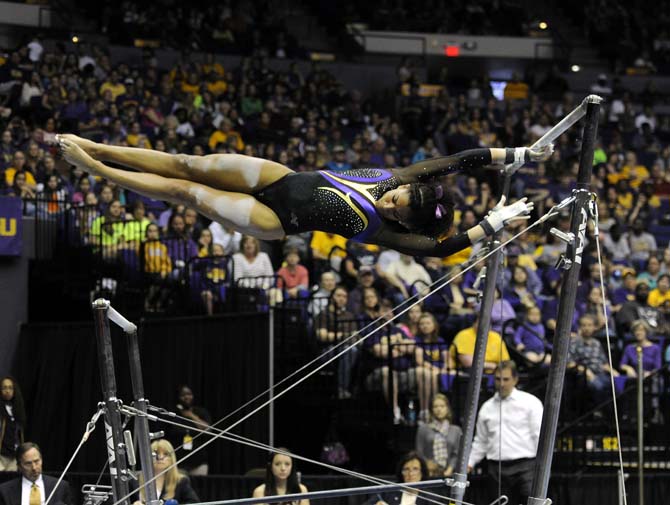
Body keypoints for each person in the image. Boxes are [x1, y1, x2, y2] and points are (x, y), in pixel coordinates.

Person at [57, 136, 549, 257]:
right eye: (399, 195)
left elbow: (442, 248)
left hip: (275, 219)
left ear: (403, 223)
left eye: (398, 207)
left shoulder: (381, 233)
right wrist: (517, 152)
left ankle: (95, 167)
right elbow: (454, 161)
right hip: (281, 177)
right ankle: (98, 145)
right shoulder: (395, 177)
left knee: (186, 191)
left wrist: (489, 226)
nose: (392, 199)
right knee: (188, 164)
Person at [468, 361, 543, 505]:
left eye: (506, 379)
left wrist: (542, 466)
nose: (501, 384)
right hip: (496, 469)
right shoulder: (486, 408)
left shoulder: (531, 403)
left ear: (515, 379)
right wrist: (469, 463)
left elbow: (539, 436)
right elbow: (481, 441)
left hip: (526, 467)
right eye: (498, 379)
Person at [0, 442, 72, 505]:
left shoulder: (60, 486)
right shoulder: (5, 491)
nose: (34, 468)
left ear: (42, 460)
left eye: (37, 461)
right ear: (19, 466)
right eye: (28, 463)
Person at [131, 439, 199, 504]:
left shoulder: (181, 481)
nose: (160, 457)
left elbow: (194, 502)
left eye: (165, 454)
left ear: (172, 459)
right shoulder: (134, 479)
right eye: (156, 453)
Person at [166, 385, 212, 476]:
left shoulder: (201, 412)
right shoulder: (173, 414)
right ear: (178, 397)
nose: (187, 397)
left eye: (189, 394)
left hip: (199, 463)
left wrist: (191, 416)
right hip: (179, 463)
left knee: (199, 488)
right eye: (183, 395)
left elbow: (208, 430)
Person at [415, 394, 462, 477]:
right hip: (428, 473)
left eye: (442, 406)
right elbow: (419, 452)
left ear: (447, 408)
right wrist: (428, 465)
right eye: (435, 406)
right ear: (431, 409)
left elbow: (457, 453)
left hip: (449, 473)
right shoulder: (423, 429)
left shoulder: (456, 430)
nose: (439, 409)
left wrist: (449, 470)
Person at [366, 451, 432, 505]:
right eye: (406, 469)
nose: (410, 474)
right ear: (401, 472)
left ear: (422, 472)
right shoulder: (388, 492)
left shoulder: (432, 498)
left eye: (415, 469)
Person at [0, 377, 26, 471]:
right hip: (1, 455)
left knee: (10, 482)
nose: (7, 391)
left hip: (13, 455)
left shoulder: (17, 410)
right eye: (4, 388)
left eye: (10, 388)